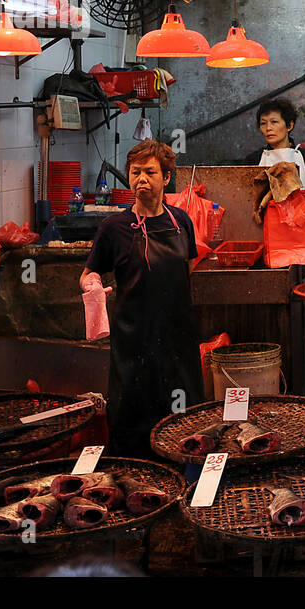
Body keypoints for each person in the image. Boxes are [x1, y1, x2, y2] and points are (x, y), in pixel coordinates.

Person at [80, 140, 205, 456]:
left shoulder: (182, 222)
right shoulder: (114, 227)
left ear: (166, 177)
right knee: (130, 420)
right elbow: (88, 273)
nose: (141, 179)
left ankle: (182, 478)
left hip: (177, 340)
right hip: (133, 341)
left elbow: (187, 271)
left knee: (184, 420)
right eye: (135, 172)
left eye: (150, 172)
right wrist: (92, 284)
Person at [250, 98, 305, 220]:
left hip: (300, 228)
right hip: (264, 228)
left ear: (289, 125)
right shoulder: (254, 159)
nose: (268, 128)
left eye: (274, 122)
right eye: (263, 123)